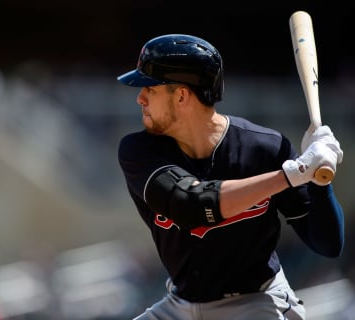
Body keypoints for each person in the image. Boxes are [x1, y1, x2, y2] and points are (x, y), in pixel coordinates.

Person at [116, 34, 344, 320]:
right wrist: (294, 174)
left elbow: (328, 243)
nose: (140, 98)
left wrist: (319, 178)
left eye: (150, 88)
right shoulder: (140, 149)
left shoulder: (264, 148)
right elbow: (190, 204)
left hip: (257, 302)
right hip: (180, 304)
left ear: (182, 95)